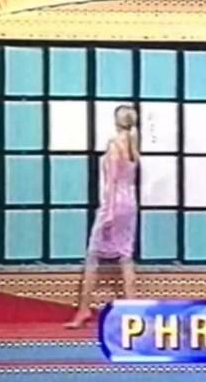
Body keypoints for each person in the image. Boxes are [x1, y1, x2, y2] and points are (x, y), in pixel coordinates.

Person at [65, 105, 139, 329]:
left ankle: (84, 309)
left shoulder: (114, 144)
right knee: (125, 256)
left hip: (114, 204)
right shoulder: (133, 145)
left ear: (116, 121)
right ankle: (133, 312)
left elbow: (112, 182)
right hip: (130, 203)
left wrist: (109, 214)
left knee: (93, 256)